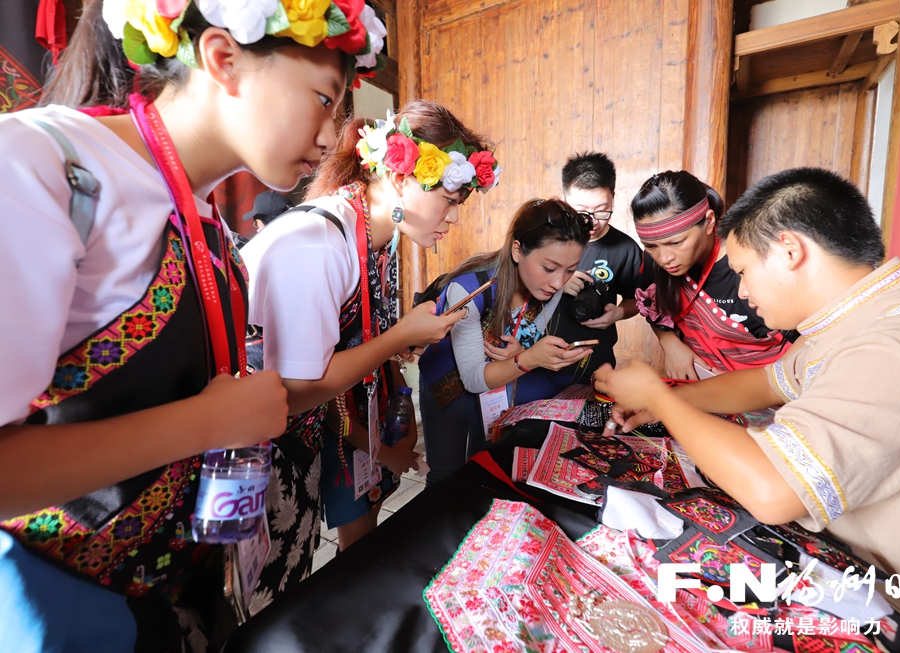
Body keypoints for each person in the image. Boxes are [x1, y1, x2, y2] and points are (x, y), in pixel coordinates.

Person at [0, 0, 385, 649]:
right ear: (223, 59)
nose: (331, 136)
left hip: (174, 598)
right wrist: (212, 422)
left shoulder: (200, 215)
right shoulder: (41, 166)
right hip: (64, 607)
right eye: (324, 98)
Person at [595, 167, 900, 653]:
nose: (743, 292)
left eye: (742, 272)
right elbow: (766, 382)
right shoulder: (861, 315)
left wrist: (661, 398)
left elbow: (775, 490)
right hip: (868, 577)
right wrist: (664, 405)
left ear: (790, 251)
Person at [241, 101, 496, 559]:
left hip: (312, 430)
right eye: (450, 201)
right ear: (400, 178)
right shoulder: (318, 242)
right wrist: (398, 337)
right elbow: (296, 389)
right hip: (257, 447)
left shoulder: (373, 240)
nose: (454, 217)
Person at [418, 198, 593, 482]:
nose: (559, 283)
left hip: (500, 377)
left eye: (570, 270)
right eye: (549, 268)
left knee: (486, 462)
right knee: (446, 475)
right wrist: (530, 358)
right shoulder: (469, 289)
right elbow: (474, 378)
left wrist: (525, 351)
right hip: (448, 384)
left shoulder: (552, 287)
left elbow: (528, 336)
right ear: (517, 250)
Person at [631, 170, 794, 381]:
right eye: (650, 245)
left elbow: (803, 342)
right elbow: (653, 309)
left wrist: (767, 385)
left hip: (769, 391)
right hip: (704, 387)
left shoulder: (747, 266)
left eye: (676, 242)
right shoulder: (655, 259)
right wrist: (669, 343)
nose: (664, 258)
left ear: (708, 221)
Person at [546, 152, 651, 387]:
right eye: (580, 211)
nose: (592, 222)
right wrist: (558, 282)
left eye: (602, 211)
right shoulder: (545, 239)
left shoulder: (624, 248)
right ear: (564, 200)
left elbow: (638, 298)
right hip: (542, 356)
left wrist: (618, 314)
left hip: (596, 359)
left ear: (613, 198)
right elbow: (516, 285)